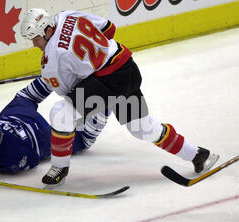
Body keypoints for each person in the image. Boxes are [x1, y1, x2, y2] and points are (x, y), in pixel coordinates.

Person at [19, 9, 219, 186]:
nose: (34, 43)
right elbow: (109, 29)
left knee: (61, 112)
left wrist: (90, 78)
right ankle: (198, 154)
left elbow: (68, 92)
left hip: (108, 82)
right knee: (143, 128)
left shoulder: (53, 59)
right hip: (127, 68)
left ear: (47, 30)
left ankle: (59, 167)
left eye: (35, 38)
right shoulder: (67, 15)